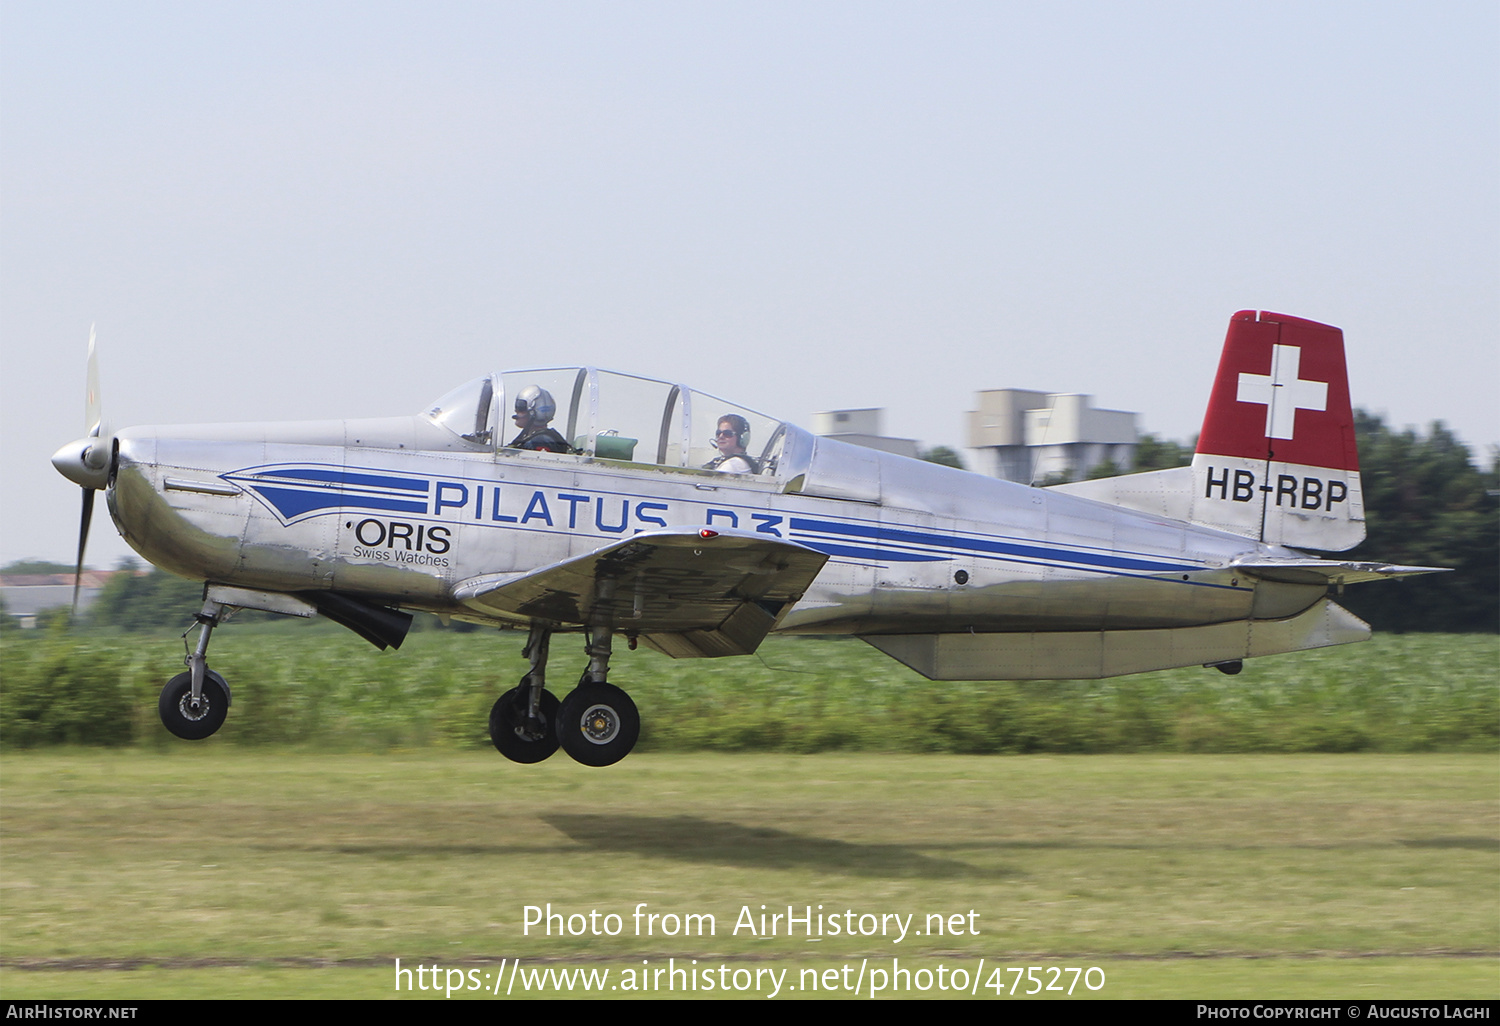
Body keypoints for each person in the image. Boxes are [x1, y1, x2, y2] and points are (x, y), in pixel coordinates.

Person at [507, 385, 572, 453]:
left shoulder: (540, 442)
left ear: (534, 412)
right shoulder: (534, 438)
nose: (516, 411)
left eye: (521, 407)